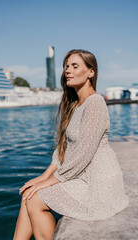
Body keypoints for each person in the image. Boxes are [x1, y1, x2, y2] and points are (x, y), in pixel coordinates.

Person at [13, 49, 129, 240]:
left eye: (75, 66)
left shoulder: (95, 103)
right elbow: (63, 150)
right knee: (28, 192)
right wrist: (42, 177)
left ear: (91, 72)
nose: (68, 70)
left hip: (98, 185)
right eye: (66, 66)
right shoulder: (75, 105)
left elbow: (83, 153)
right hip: (81, 176)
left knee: (35, 199)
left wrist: (49, 181)